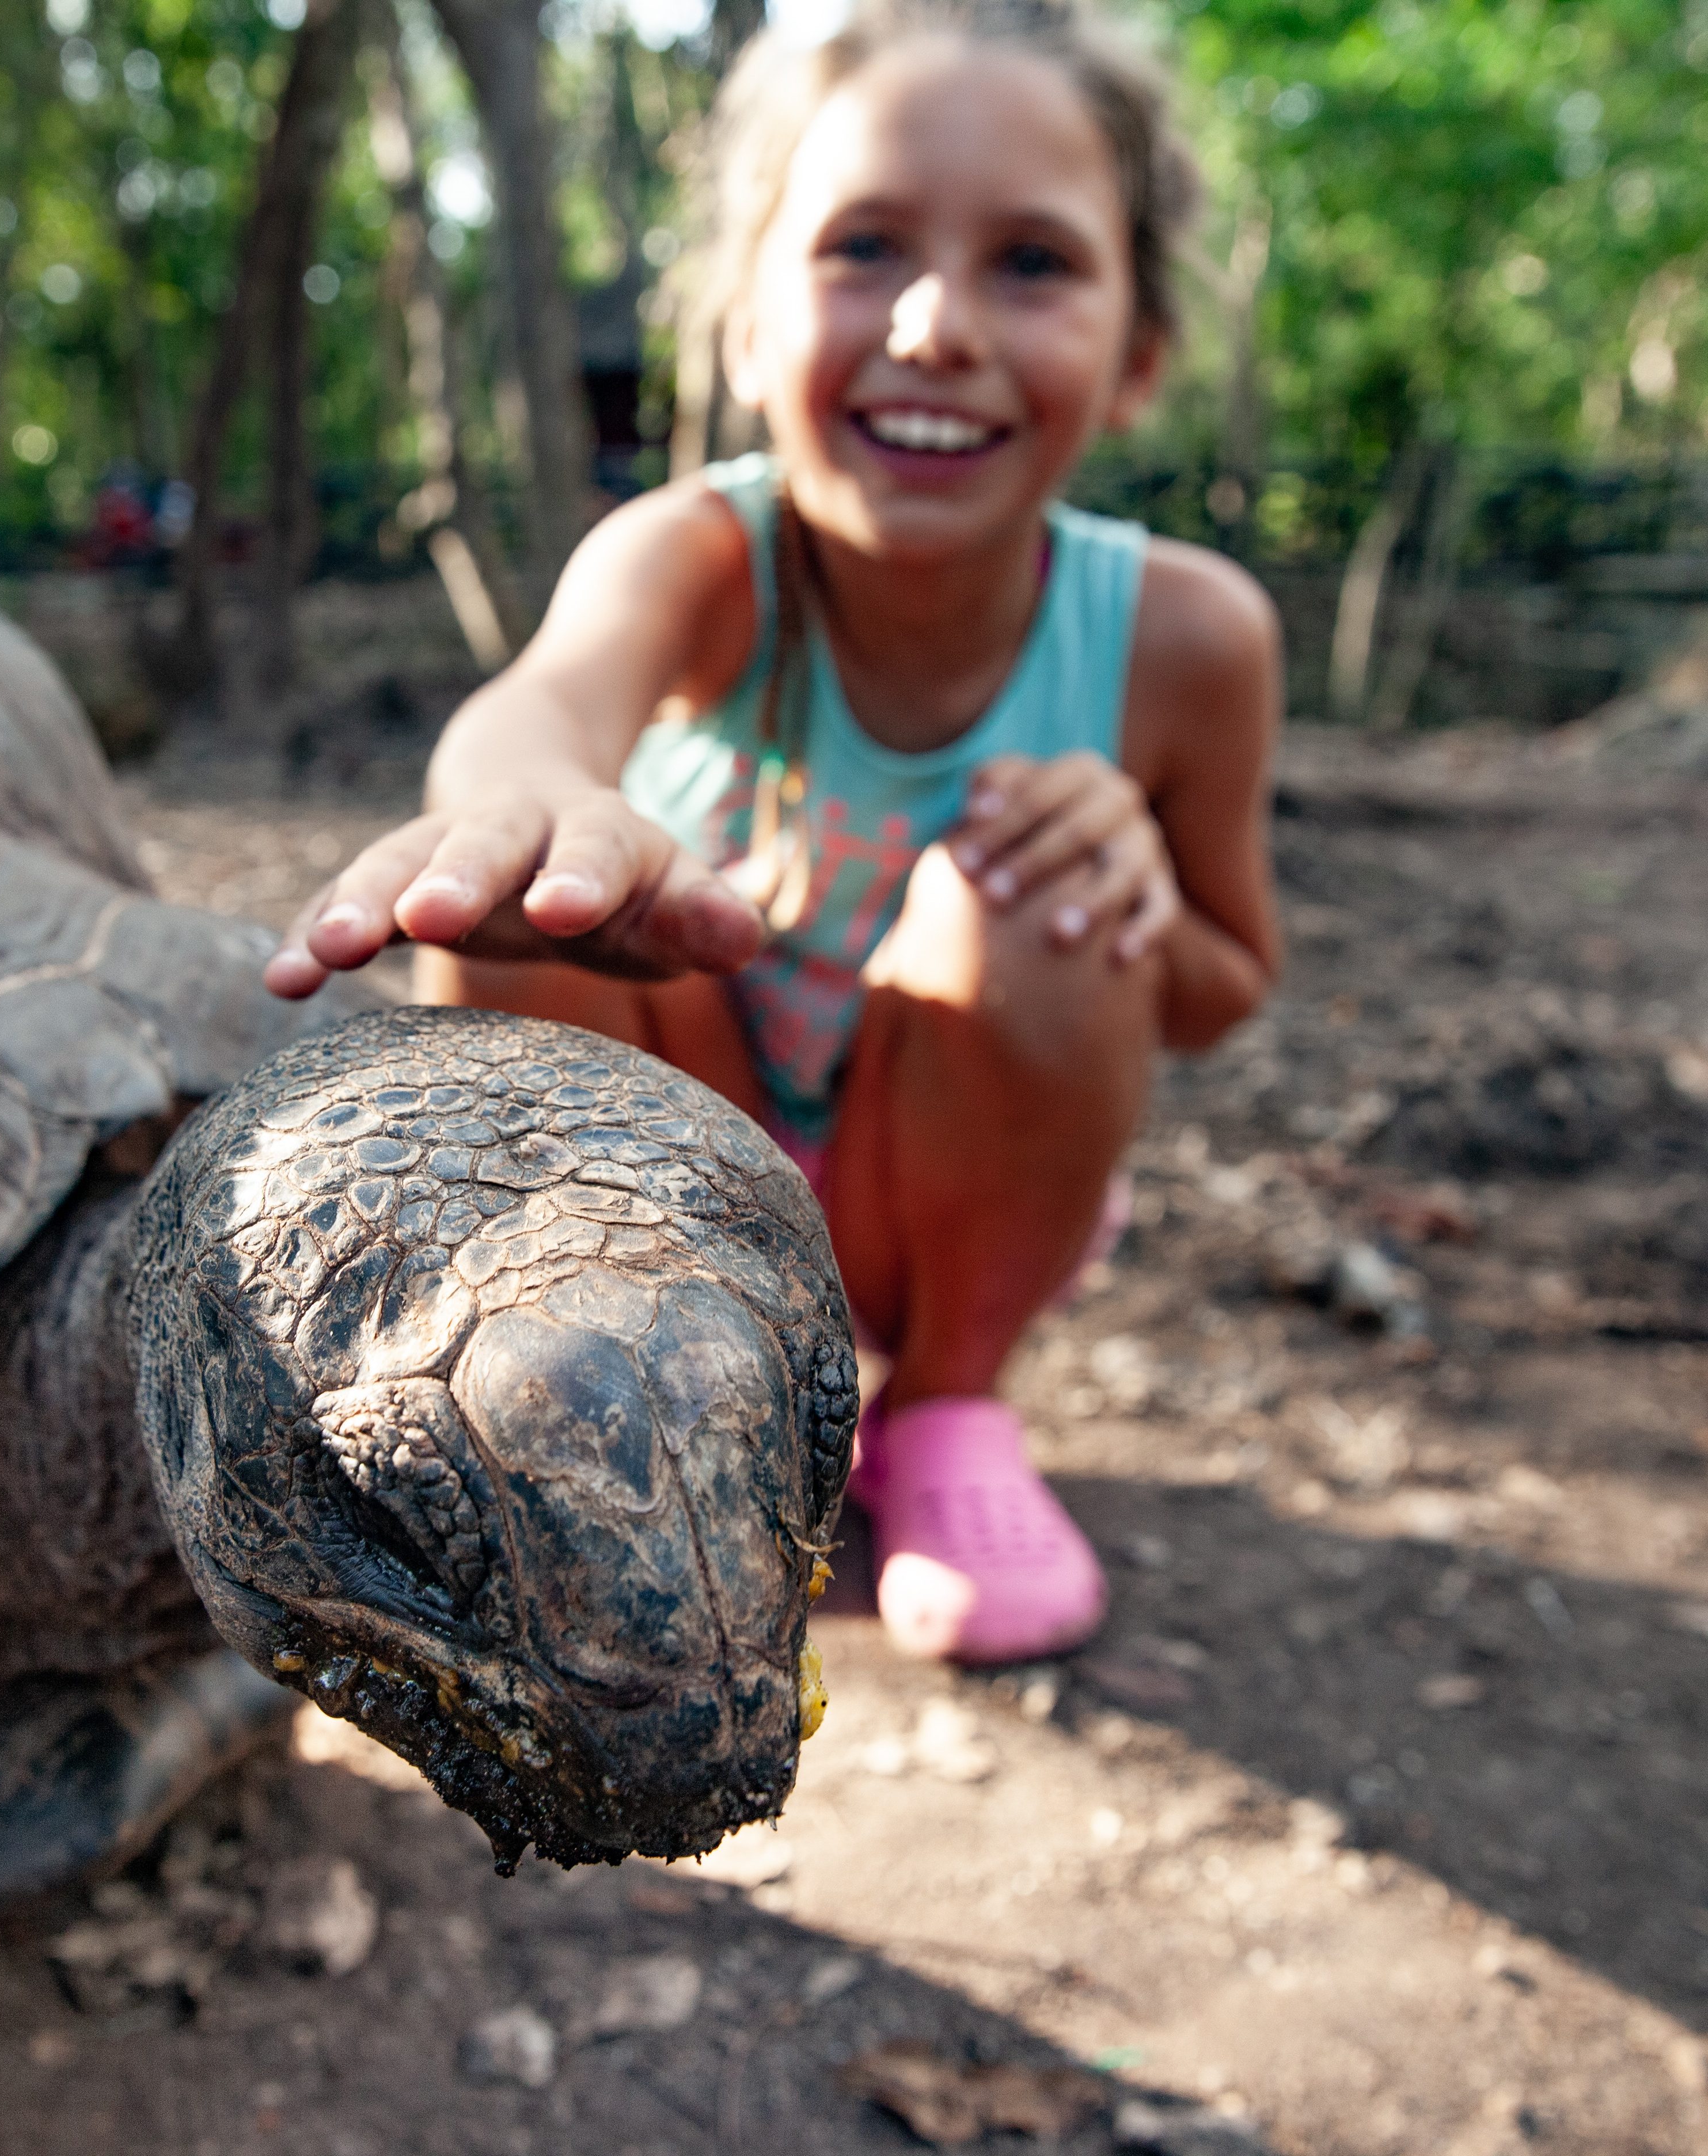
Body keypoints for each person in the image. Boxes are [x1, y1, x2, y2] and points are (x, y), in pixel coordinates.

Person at [264, 0, 1282, 1664]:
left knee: (1033, 893)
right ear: (745, 321)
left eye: (1031, 262)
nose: (936, 325)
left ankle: (943, 1413)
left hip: (941, 1204)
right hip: (681, 1164)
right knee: (524, 895)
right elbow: (527, 717)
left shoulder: (1188, 638)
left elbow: (1227, 983)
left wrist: (1136, 888)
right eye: (864, 248)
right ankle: (669, 1413)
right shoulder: (697, 559)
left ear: (1139, 348)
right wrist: (543, 814)